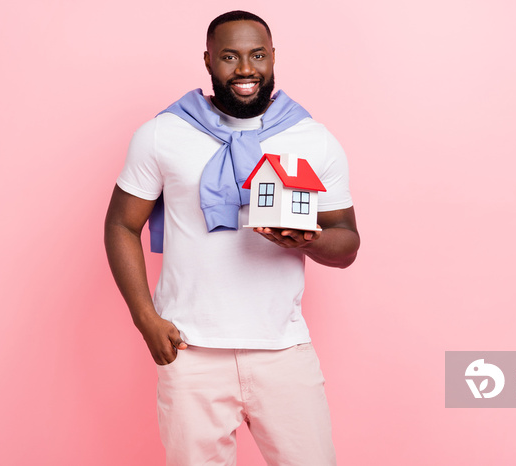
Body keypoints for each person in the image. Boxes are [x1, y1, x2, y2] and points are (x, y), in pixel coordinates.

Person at [104, 10, 359, 466]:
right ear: (208, 61)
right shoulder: (163, 134)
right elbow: (122, 224)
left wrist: (307, 241)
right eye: (230, 57)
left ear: (274, 57)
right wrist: (145, 318)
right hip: (191, 351)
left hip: (283, 351)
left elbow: (346, 241)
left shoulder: (312, 138)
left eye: (257, 55)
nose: (245, 69)